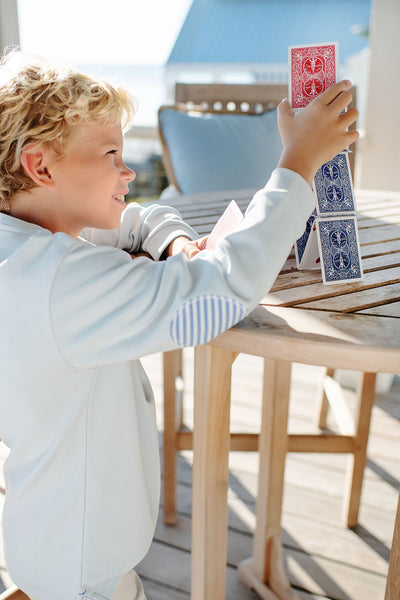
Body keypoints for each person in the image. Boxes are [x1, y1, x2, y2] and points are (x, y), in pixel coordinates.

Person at [0, 50, 358, 600]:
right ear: (41, 166)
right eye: (111, 153)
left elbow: (136, 217)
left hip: (50, 537)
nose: (129, 170)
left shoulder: (28, 247)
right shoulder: (60, 286)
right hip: (85, 564)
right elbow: (219, 294)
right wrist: (298, 164)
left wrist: (174, 241)